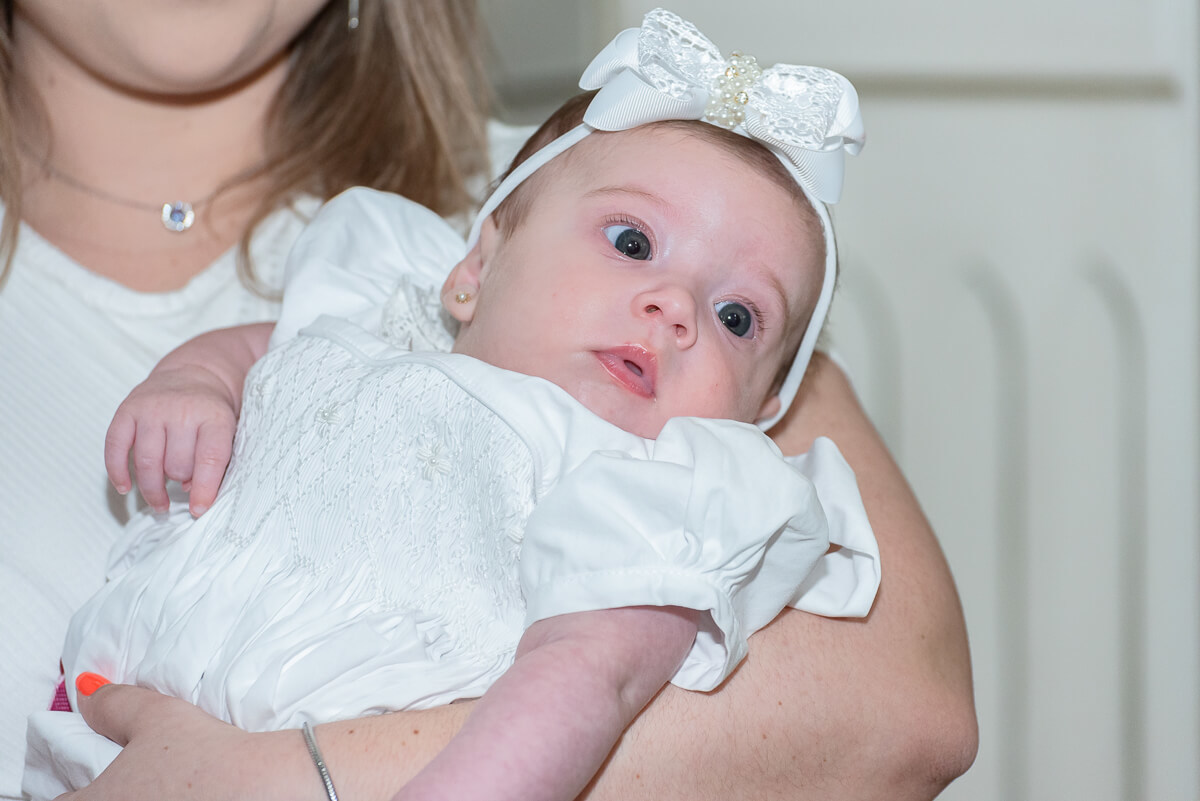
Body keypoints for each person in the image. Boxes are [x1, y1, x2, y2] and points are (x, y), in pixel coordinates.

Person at [0, 2, 977, 800]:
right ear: (474, 265)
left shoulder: (643, 184)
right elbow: (300, 346)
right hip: (98, 710)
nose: (676, 309)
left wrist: (289, 784)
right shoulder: (433, 256)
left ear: (765, 410)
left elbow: (907, 710)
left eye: (734, 316)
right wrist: (199, 380)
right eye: (633, 245)